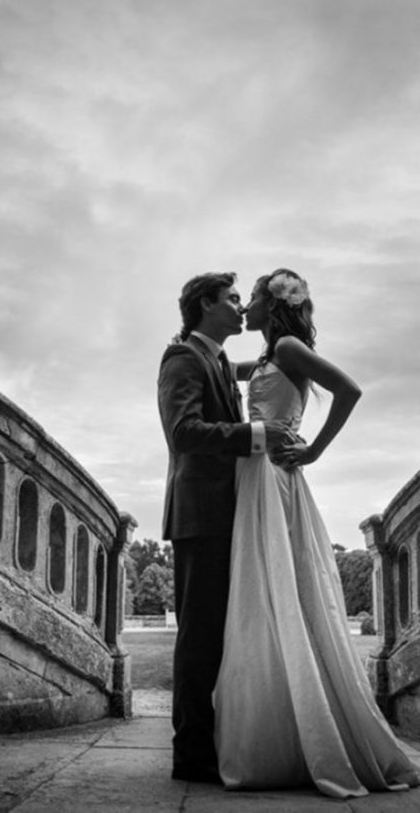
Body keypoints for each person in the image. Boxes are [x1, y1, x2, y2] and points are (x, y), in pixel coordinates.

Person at [213, 268, 420, 798]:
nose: (246, 306)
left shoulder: (285, 345)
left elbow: (348, 390)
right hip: (254, 474)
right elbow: (215, 365)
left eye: (252, 297)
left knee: (282, 584)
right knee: (267, 590)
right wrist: (189, 339)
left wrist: (315, 450)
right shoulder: (263, 355)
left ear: (272, 304)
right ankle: (283, 727)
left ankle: (315, 735)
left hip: (275, 475)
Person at [157, 271, 295, 784]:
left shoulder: (215, 358)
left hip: (226, 514)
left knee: (219, 635)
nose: (241, 306)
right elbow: (184, 432)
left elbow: (266, 366)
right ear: (205, 305)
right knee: (199, 639)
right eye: (233, 298)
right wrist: (258, 433)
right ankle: (190, 757)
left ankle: (212, 742)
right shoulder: (183, 358)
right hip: (200, 516)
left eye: (244, 299)